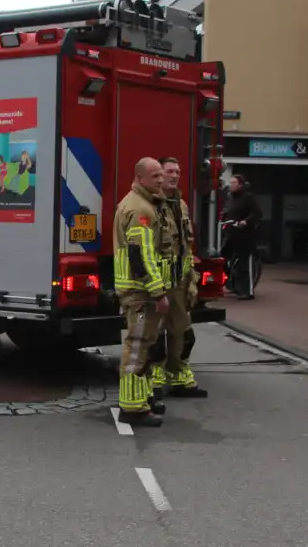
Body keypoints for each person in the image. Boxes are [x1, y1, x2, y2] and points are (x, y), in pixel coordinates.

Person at [112, 157, 173, 427]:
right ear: (139, 178)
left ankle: (142, 399)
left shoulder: (144, 204)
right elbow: (143, 256)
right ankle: (132, 407)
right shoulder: (140, 210)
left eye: (161, 175)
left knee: (145, 346)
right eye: (154, 176)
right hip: (141, 293)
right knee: (137, 348)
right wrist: (159, 292)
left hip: (142, 291)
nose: (160, 180)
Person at [147, 157, 209, 404]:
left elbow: (187, 245)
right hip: (158, 283)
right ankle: (155, 379)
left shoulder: (181, 205)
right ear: (159, 175)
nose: (174, 175)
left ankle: (180, 377)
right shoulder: (150, 204)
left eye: (178, 171)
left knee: (182, 332)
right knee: (155, 334)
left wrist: (191, 279)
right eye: (170, 171)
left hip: (180, 281)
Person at [221, 174, 261, 300]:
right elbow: (227, 211)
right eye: (230, 182)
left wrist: (245, 221)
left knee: (244, 264)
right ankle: (233, 286)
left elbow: (257, 213)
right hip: (231, 236)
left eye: (234, 183)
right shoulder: (230, 198)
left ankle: (248, 292)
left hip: (245, 237)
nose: (231, 185)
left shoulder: (247, 197)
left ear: (240, 184)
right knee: (226, 261)